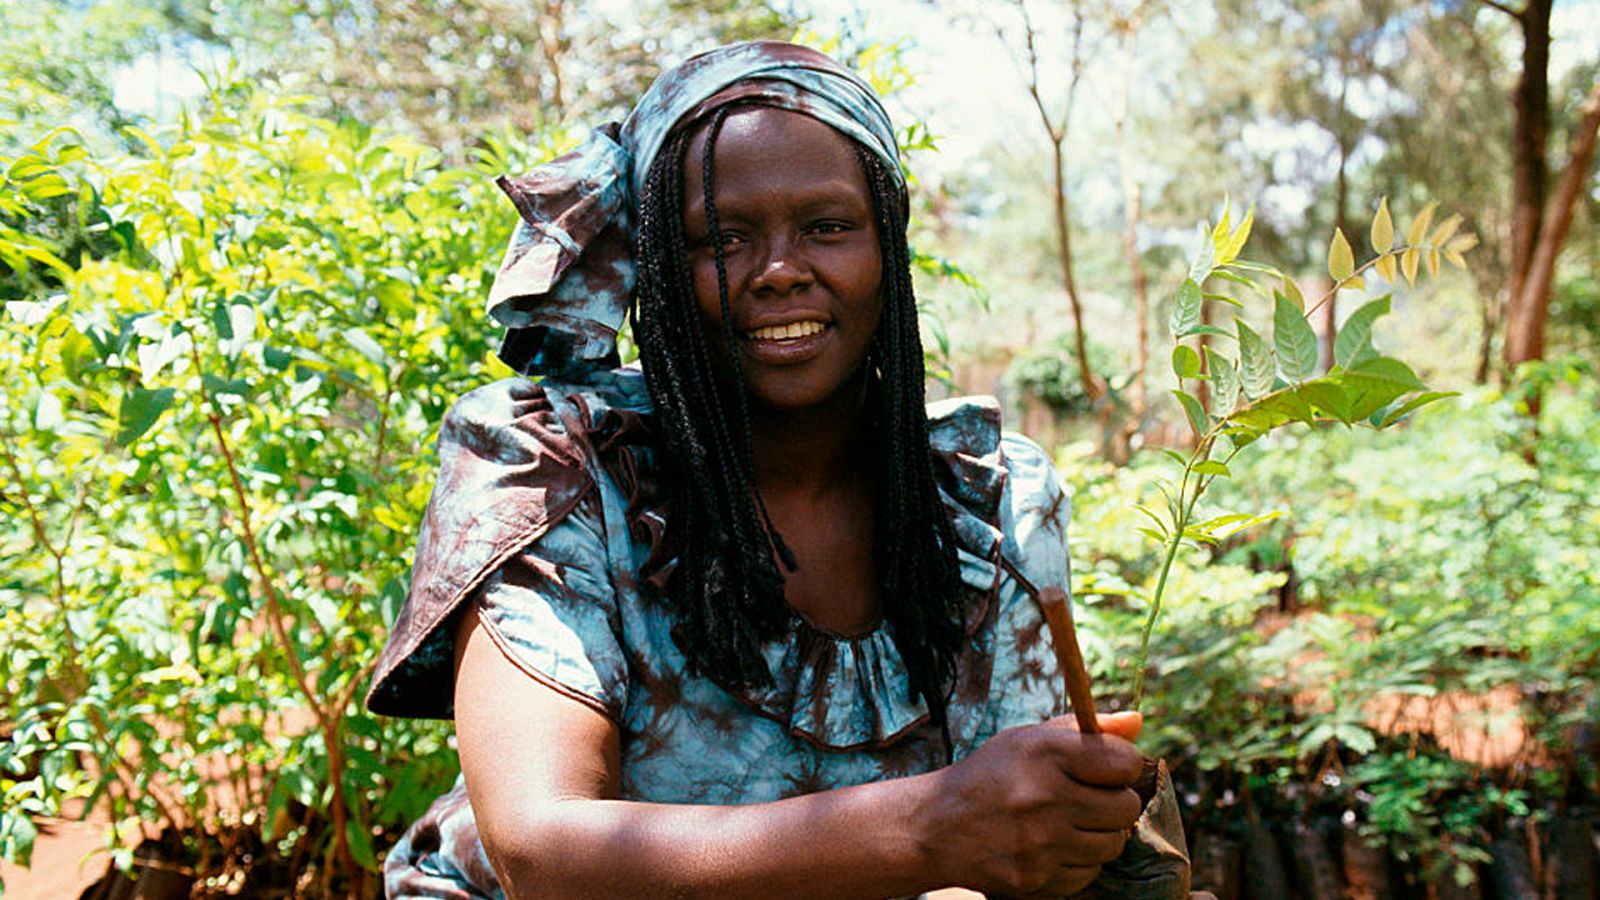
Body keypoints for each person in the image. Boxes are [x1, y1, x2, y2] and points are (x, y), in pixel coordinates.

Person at [367, 40, 1191, 899]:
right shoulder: (563, 473)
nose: (780, 272)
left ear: (888, 248)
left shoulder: (992, 495)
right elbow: (543, 852)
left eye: (829, 227)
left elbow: (1025, 836)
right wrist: (934, 827)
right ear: (659, 269)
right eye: (720, 238)